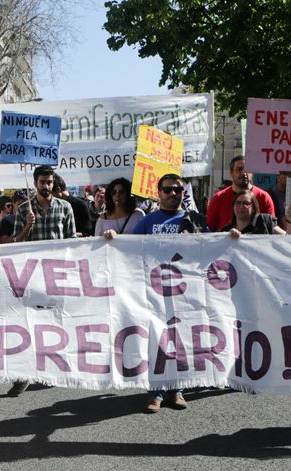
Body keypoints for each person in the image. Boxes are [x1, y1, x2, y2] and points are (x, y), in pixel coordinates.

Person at [107, 173, 207, 411]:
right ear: (159, 192)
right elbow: (127, 249)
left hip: (185, 293)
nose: (173, 193)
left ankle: (178, 389)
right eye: (168, 189)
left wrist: (231, 237)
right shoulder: (148, 222)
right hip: (154, 293)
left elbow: (209, 248)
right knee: (156, 340)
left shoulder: (195, 219)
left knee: (180, 341)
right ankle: (156, 392)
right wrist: (113, 239)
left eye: (178, 190)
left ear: (184, 193)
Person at [10, 166, 76, 396]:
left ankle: (55, 368)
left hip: (56, 275)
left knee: (56, 323)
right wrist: (28, 224)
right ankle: (24, 374)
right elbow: (16, 243)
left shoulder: (65, 207)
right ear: (35, 183)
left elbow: (70, 242)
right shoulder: (24, 210)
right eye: (42, 182)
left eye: (49, 182)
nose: (46, 186)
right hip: (32, 276)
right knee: (29, 325)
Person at [207, 156, 275, 232]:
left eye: (247, 170)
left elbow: (272, 228)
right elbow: (210, 230)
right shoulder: (218, 198)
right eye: (239, 169)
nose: (244, 173)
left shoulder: (264, 197)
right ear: (231, 173)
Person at [224, 190, 291, 238]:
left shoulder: (264, 220)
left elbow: (289, 240)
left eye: (246, 203)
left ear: (254, 208)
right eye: (238, 203)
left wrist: (290, 220)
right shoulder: (226, 231)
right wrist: (228, 236)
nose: (241, 206)